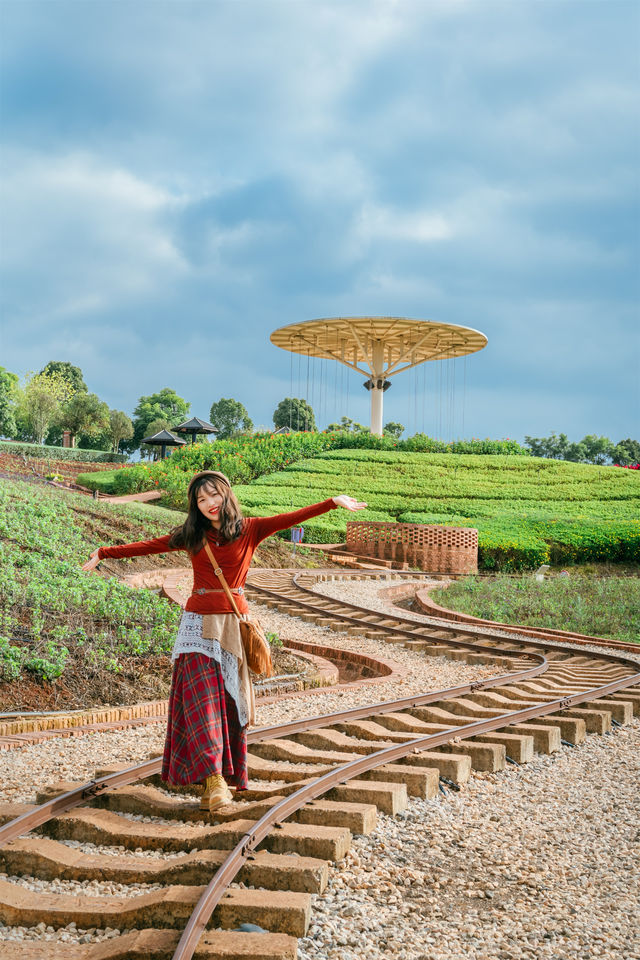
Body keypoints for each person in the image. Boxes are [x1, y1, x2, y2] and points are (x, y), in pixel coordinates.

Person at [82, 470, 367, 812]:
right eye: (201, 500)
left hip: (232, 627)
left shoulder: (251, 528)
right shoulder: (191, 534)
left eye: (214, 495)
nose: (209, 504)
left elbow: (292, 517)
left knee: (228, 706)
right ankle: (214, 780)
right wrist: (103, 552)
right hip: (197, 629)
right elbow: (148, 546)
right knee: (202, 704)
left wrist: (332, 504)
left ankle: (217, 781)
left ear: (226, 495)